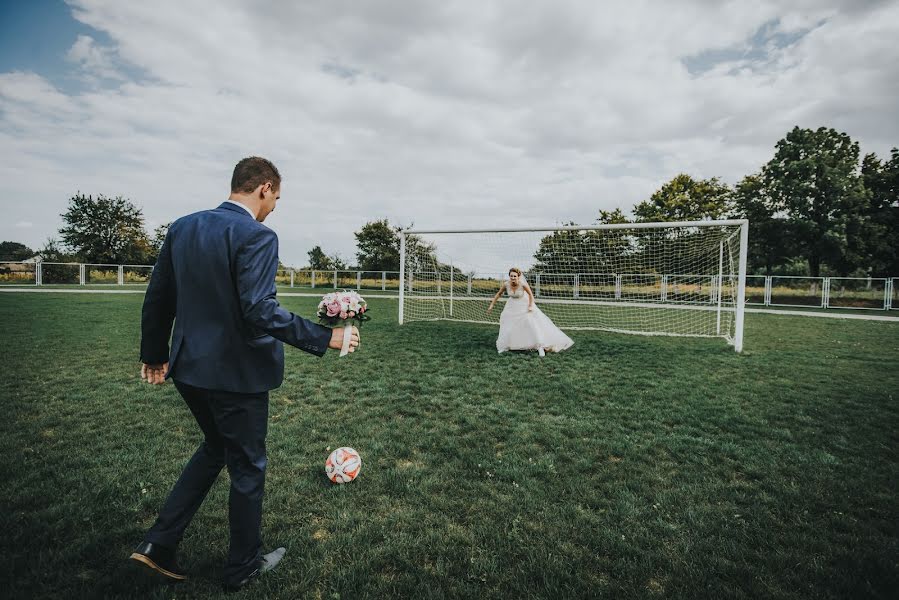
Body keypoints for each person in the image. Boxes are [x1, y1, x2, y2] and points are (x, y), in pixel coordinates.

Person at [131, 156, 360, 591]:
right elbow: (258, 309)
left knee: (215, 448)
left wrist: (155, 353)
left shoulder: (183, 227)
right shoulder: (257, 234)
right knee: (248, 467)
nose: (275, 206)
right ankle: (243, 567)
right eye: (276, 197)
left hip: (188, 369)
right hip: (235, 375)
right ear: (264, 189)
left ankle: (158, 544)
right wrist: (325, 337)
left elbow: (158, 296)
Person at [487, 267, 573, 356]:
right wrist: (492, 305)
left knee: (531, 324)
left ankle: (540, 347)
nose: (513, 278)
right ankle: (506, 345)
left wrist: (530, 305)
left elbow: (531, 295)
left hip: (524, 304)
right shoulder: (506, 284)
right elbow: (499, 293)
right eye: (511, 276)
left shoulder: (522, 284)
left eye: (515, 276)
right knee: (508, 324)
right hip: (511, 306)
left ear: (518, 276)